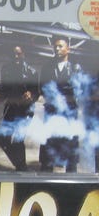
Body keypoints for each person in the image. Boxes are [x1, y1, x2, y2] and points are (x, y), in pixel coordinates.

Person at [39, 36, 82, 172]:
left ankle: (71, 173)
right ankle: (45, 173)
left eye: (60, 46)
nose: (57, 49)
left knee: (70, 145)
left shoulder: (75, 67)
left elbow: (79, 88)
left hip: (69, 112)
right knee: (49, 143)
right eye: (55, 46)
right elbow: (42, 87)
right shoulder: (47, 67)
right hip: (51, 111)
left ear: (68, 49)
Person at [0, 46, 38, 171]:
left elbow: (37, 92)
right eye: (13, 54)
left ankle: (21, 168)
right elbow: (3, 89)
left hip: (26, 110)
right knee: (2, 139)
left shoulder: (32, 72)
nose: (15, 57)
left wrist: (31, 95)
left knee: (18, 140)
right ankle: (20, 165)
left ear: (23, 54)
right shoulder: (6, 69)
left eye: (18, 54)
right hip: (10, 108)